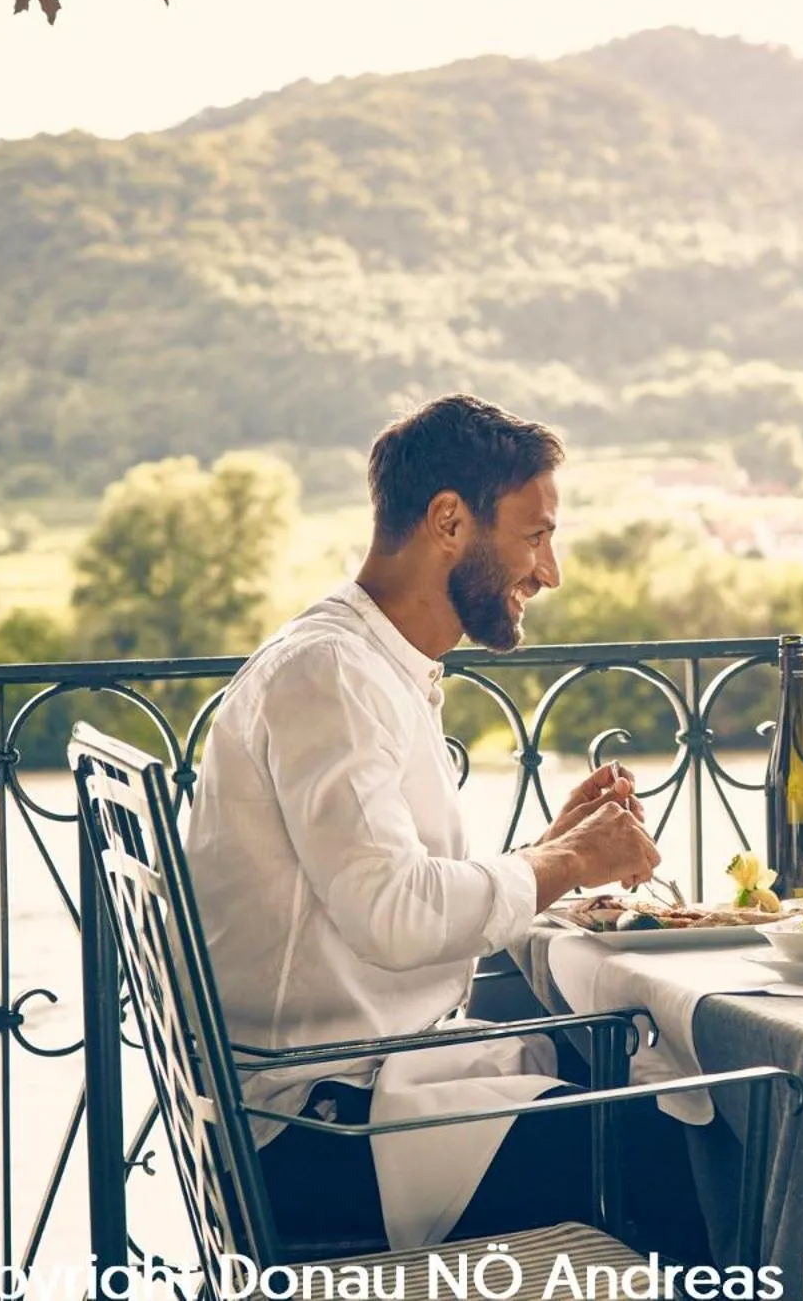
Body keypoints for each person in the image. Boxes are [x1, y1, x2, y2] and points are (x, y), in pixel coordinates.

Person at [189, 393, 705, 1257]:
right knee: (684, 1141)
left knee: (662, 1080)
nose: (549, 573)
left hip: (355, 1083)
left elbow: (388, 889)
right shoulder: (331, 673)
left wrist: (550, 852)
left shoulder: (367, 661)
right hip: (313, 1129)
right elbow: (392, 914)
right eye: (535, 536)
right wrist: (565, 865)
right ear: (449, 522)